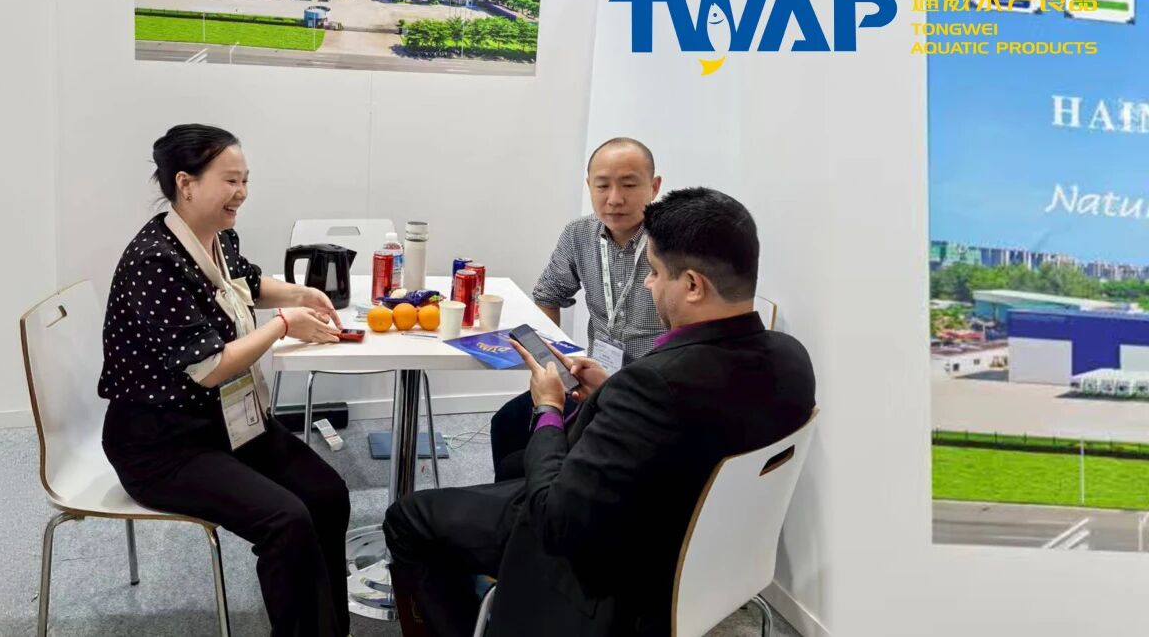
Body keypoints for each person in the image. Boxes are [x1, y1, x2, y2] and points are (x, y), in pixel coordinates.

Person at [384, 187, 817, 637]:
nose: (649, 284)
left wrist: (549, 407)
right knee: (513, 459)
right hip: (702, 546)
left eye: (655, 272)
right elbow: (694, 428)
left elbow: (554, 520)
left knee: (408, 517)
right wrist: (608, 394)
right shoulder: (791, 359)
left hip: (609, 567)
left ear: (692, 285)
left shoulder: (653, 383)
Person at [98, 124, 351, 637]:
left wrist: (300, 295)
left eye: (245, 180)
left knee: (327, 494)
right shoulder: (155, 261)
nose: (242, 192)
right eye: (231, 181)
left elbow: (247, 283)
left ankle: (329, 629)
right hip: (161, 445)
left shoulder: (217, 237)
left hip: (224, 422)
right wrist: (284, 326)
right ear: (186, 184)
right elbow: (211, 366)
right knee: (285, 521)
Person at [489, 137, 668, 481]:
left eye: (629, 185)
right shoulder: (579, 235)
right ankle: (523, 507)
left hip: (647, 394)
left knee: (532, 460)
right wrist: (552, 367)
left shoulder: (672, 243)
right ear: (589, 185)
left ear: (654, 186)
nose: (614, 198)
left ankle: (551, 500)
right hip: (591, 381)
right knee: (508, 423)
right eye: (602, 185)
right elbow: (548, 294)